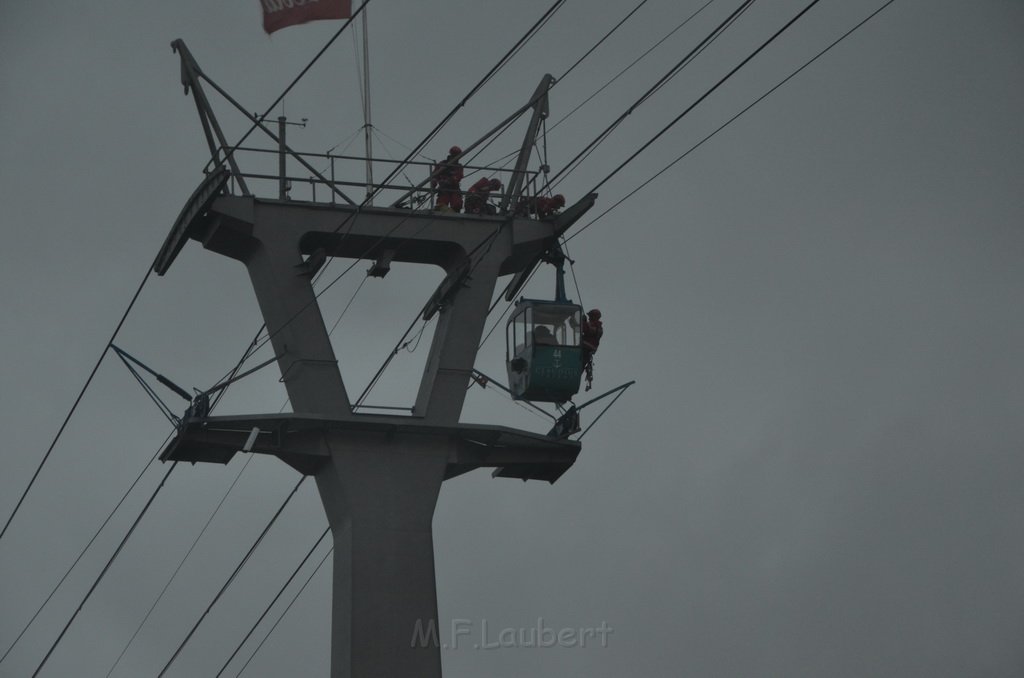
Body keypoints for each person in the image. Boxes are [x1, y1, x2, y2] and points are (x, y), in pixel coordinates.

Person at [430, 146, 464, 212]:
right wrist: (434, 183)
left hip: (454, 188)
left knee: (457, 204)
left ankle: (455, 216)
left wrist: (451, 179)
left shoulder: (459, 166)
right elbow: (435, 175)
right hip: (444, 188)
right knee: (441, 204)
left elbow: (459, 176)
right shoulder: (442, 164)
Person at [580, 308, 603, 391]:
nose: (589, 318)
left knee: (578, 368)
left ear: (594, 317)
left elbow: (585, 329)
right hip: (584, 350)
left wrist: (583, 322)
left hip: (586, 350)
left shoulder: (597, 327)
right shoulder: (593, 325)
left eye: (590, 316)